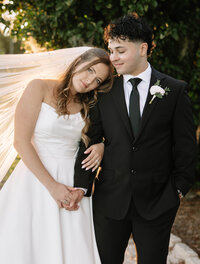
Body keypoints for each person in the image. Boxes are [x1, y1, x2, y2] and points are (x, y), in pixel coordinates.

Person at [73, 14, 197, 263]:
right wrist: (81, 186)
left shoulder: (173, 90)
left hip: (158, 202)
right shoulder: (103, 92)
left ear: (143, 49)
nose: (113, 57)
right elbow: (89, 139)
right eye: (111, 50)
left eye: (120, 50)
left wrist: (178, 191)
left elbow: (186, 147)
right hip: (109, 202)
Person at [0, 47, 113, 264]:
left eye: (98, 80)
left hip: (73, 185)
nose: (90, 81)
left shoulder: (89, 106)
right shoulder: (39, 87)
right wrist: (53, 187)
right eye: (89, 70)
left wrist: (101, 146)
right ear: (78, 61)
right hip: (35, 181)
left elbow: (102, 137)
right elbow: (21, 142)